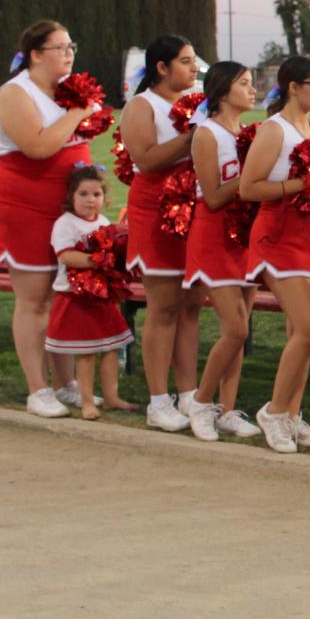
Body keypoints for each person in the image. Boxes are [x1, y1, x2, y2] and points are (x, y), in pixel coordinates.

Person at [0, 20, 99, 417]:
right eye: (60, 47)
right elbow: (37, 146)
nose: (69, 53)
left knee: (66, 293)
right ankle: (38, 389)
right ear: (36, 54)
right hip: (27, 202)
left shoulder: (69, 91)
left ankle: (66, 382)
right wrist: (76, 113)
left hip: (70, 202)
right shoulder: (15, 92)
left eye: (72, 45)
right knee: (34, 298)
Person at [240, 55, 310, 453]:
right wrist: (298, 184)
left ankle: (292, 414)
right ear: (294, 87)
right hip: (280, 235)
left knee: (303, 335)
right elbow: (249, 187)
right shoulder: (273, 130)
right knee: (309, 328)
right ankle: (275, 411)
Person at [119, 34, 204, 434]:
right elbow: (146, 158)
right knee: (164, 307)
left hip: (194, 207)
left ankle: (189, 393)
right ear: (162, 67)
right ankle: (158, 399)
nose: (193, 69)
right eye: (185, 61)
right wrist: (193, 136)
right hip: (156, 210)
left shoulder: (198, 102)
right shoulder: (142, 104)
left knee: (190, 307)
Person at [178, 61, 263, 441]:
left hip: (243, 236)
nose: (253, 89)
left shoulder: (246, 132)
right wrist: (251, 179)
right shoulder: (207, 134)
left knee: (241, 329)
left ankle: (228, 410)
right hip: (214, 235)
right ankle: (200, 401)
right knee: (235, 327)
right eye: (245, 83)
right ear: (223, 90)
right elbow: (212, 196)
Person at [46, 164, 134, 420]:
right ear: (71, 196)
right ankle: (86, 401)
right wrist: (95, 260)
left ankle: (111, 397)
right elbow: (65, 256)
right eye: (83, 194)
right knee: (85, 351)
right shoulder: (65, 223)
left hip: (102, 298)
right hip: (76, 298)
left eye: (96, 194)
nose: (90, 200)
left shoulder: (104, 222)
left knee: (111, 347)